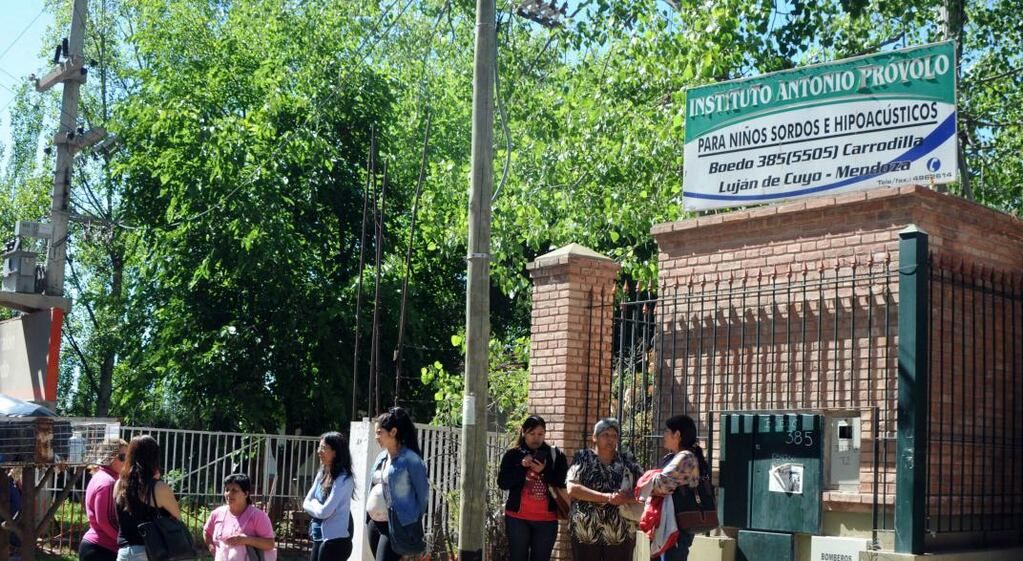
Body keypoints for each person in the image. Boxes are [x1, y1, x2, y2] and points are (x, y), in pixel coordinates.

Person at [565, 418, 642, 561]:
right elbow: (572, 488)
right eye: (605, 435)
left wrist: (625, 498)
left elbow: (643, 490)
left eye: (614, 436)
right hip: (586, 530)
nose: (610, 439)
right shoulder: (583, 457)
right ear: (595, 437)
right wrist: (606, 497)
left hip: (620, 532)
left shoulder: (627, 460)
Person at [497, 415, 568, 561]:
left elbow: (563, 482)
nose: (536, 438)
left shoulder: (556, 455)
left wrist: (544, 471)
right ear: (523, 432)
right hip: (517, 518)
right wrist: (522, 468)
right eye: (532, 433)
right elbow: (503, 483)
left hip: (546, 520)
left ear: (545, 434)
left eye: (540, 434)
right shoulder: (513, 455)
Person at [366, 407, 429, 561]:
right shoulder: (382, 457)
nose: (376, 437)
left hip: (397, 525)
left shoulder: (411, 459)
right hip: (374, 523)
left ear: (393, 432)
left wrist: (410, 523)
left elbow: (423, 497)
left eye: (379, 432)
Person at [650, 415, 710, 561]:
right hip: (668, 524)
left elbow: (661, 485)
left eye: (667, 431)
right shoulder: (676, 456)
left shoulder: (685, 457)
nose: (664, 435)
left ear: (677, 435)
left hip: (676, 527)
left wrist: (646, 479)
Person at [114, 435, 182, 561]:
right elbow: (177, 518)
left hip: (124, 553)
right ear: (154, 457)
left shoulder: (119, 484)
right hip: (150, 551)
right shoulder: (159, 488)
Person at [302, 433, 355, 561]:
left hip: (335, 542)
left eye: (324, 448)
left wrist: (313, 503)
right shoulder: (322, 473)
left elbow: (325, 512)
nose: (319, 451)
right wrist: (316, 506)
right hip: (319, 538)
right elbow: (305, 503)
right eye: (319, 447)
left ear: (335, 452)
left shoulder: (344, 479)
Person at [204, 473, 277, 561]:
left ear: (246, 494)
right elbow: (207, 532)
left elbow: (270, 544)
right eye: (227, 490)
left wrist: (246, 540)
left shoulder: (258, 516)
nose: (229, 494)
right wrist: (211, 547)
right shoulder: (217, 513)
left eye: (234, 490)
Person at [79, 439, 128, 561]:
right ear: (109, 457)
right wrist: (126, 541)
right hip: (101, 549)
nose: (126, 461)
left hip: (98, 547)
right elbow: (105, 521)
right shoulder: (108, 482)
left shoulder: (101, 476)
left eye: (128, 457)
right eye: (122, 457)